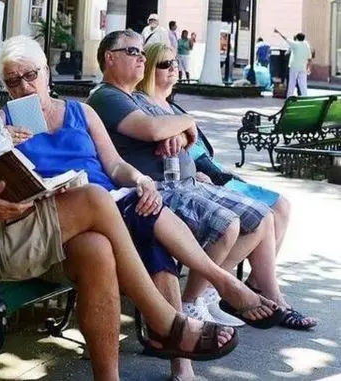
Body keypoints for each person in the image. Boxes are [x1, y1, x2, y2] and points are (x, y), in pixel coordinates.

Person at [0, 31, 238, 381]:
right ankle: (166, 323)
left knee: (96, 249)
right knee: (95, 199)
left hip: (9, 221)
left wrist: (31, 181)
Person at [0, 35, 278, 381]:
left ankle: (181, 355)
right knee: (140, 224)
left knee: (144, 212)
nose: (24, 87)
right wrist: (0, 143)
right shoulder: (2, 123)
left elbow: (115, 166)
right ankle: (205, 304)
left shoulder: (80, 111)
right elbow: (5, 188)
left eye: (30, 75)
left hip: (114, 202)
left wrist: (141, 180)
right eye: (12, 81)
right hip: (65, 219)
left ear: (46, 73)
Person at [92, 36, 315, 331]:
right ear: (109, 57)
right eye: (134, 52)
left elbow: (171, 133)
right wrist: (188, 123)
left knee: (261, 218)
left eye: (145, 54)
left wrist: (183, 129)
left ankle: (208, 295)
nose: (142, 59)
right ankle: (195, 302)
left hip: (186, 183)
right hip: (158, 189)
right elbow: (154, 129)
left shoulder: (132, 98)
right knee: (229, 225)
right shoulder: (109, 96)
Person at [274, 29, 312, 97]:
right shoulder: (307, 46)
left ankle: (289, 96)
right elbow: (309, 59)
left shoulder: (295, 44)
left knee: (292, 83)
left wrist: (279, 32)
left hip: (294, 67)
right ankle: (305, 97)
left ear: (297, 38)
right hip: (303, 67)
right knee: (303, 84)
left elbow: (285, 38)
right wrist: (309, 68)